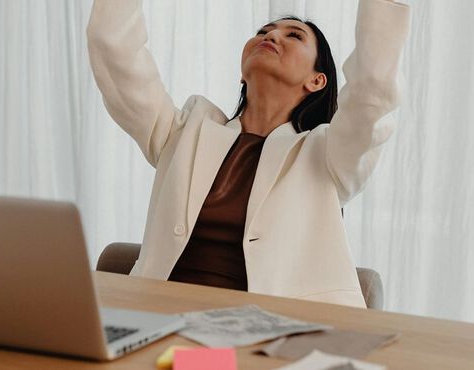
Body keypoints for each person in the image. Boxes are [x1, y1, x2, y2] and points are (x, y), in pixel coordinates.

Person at [87, 0, 410, 308]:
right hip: (157, 321)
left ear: (317, 80)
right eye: (263, 31)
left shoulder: (329, 153)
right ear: (242, 73)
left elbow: (372, 95)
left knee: (197, 366)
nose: (271, 35)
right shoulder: (183, 131)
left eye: (294, 35)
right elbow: (114, 50)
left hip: (265, 341)